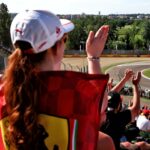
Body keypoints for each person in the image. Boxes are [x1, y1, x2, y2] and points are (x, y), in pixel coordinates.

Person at [0, 10, 110, 150]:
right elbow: (99, 103)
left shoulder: (4, 93)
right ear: (57, 47)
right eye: (65, 39)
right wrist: (93, 57)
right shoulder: (70, 94)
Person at [100, 70, 141, 150]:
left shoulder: (99, 113)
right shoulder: (118, 118)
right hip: (113, 147)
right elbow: (135, 109)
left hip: (98, 146)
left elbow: (111, 95)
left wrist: (125, 79)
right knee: (140, 145)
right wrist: (135, 85)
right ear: (119, 105)